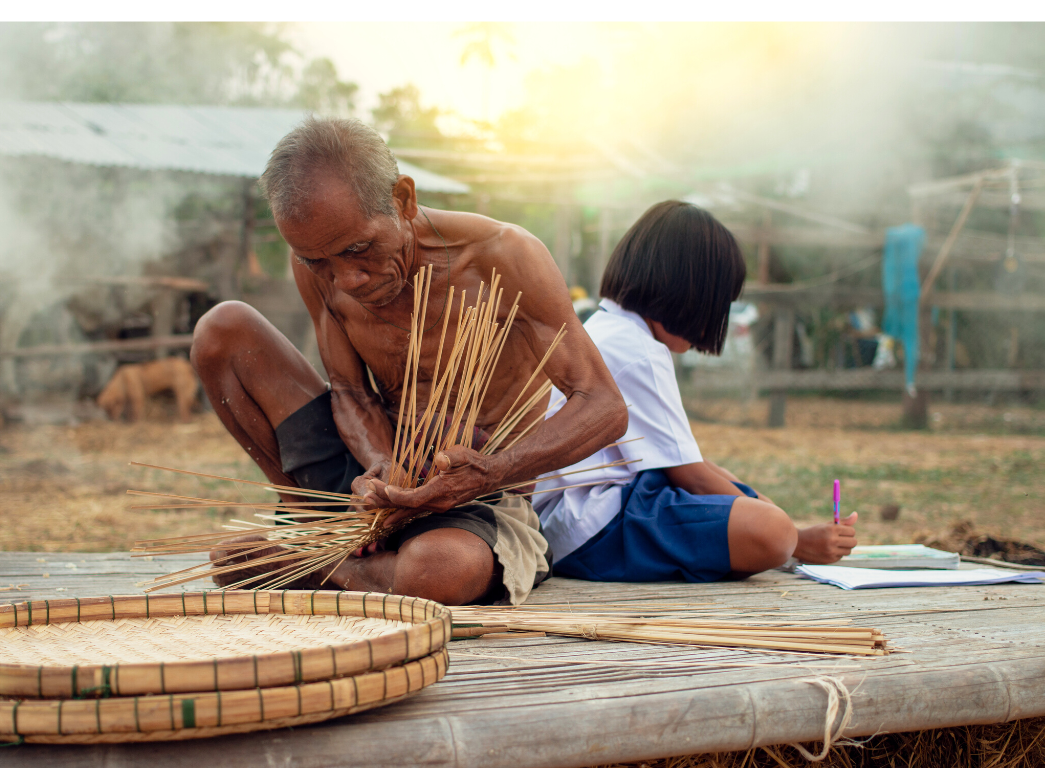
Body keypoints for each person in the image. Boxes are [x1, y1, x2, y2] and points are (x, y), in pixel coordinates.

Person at [191, 117, 627, 605]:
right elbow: (350, 392)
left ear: (403, 200)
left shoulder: (503, 257)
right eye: (320, 263)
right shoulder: (317, 260)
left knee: (436, 573)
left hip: (476, 497)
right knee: (222, 330)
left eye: (359, 250)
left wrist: (490, 471)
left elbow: (604, 405)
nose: (346, 280)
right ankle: (311, 520)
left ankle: (320, 566)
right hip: (371, 476)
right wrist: (381, 468)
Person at [531, 201, 857, 582]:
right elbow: (693, 479)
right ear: (686, 294)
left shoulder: (609, 330)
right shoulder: (637, 351)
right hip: (589, 526)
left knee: (740, 490)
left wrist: (786, 521)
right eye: (716, 304)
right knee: (773, 533)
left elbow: (694, 466)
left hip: (581, 515)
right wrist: (797, 539)